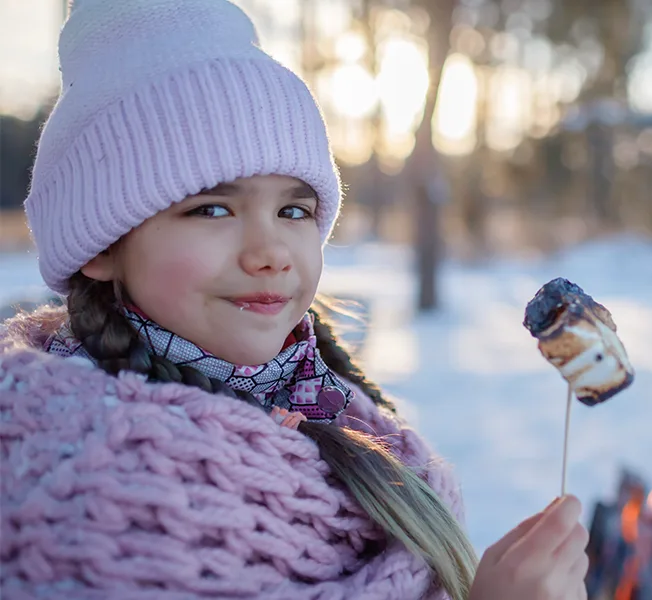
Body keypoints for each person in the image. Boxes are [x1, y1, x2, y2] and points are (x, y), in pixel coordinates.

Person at [0, 1, 589, 598]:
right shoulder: (85, 491)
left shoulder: (333, 411)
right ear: (100, 244)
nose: (271, 252)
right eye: (212, 209)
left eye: (293, 210)